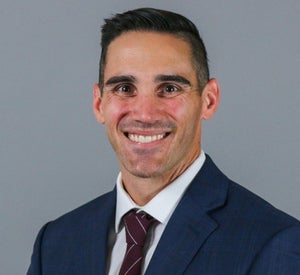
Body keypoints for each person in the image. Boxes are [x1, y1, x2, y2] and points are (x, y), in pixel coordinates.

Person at [27, 7, 300, 275]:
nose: (145, 114)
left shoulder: (275, 243)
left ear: (209, 100)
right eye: (124, 88)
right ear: (99, 103)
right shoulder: (55, 243)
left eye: (169, 89)